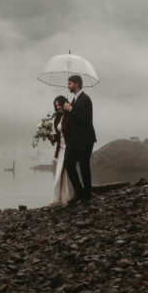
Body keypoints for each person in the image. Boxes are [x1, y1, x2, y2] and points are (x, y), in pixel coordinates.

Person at [62, 74, 97, 206]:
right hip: (75, 139)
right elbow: (72, 120)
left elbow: (85, 120)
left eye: (70, 83)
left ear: (76, 84)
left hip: (86, 139)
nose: (68, 86)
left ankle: (87, 195)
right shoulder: (74, 100)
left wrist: (71, 110)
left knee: (84, 166)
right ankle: (79, 192)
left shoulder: (85, 99)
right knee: (68, 163)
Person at [49, 95, 74, 205]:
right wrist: (50, 136)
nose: (58, 108)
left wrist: (70, 110)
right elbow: (58, 136)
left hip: (69, 148)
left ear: (64, 103)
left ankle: (57, 200)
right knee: (61, 174)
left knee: (61, 174)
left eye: (59, 105)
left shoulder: (70, 115)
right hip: (61, 149)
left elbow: (73, 132)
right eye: (56, 106)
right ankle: (63, 199)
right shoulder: (57, 117)